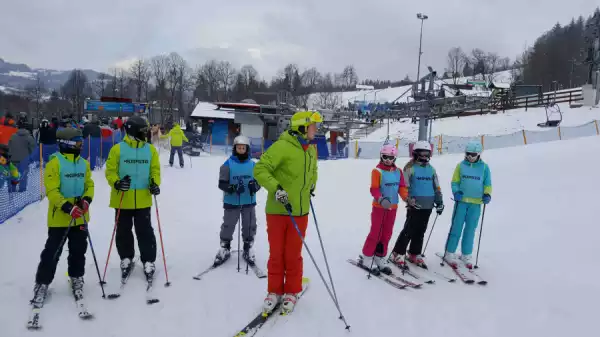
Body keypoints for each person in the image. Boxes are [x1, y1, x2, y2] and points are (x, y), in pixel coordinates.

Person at [254, 111, 321, 314]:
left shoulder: (310, 150)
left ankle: (291, 290)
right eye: (312, 126)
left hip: (300, 212)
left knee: (293, 255)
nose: (315, 130)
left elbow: (313, 171)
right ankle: (274, 291)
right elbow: (260, 170)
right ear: (302, 127)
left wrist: (311, 186)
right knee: (277, 254)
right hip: (278, 211)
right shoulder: (282, 147)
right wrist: (278, 189)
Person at [31, 128, 94, 308]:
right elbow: (51, 190)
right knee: (52, 252)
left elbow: (89, 184)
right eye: (78, 143)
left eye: (82, 143)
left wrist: (87, 200)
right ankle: (42, 283)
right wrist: (67, 207)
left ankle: (76, 278)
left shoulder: (83, 163)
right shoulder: (55, 163)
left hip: (80, 217)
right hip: (60, 217)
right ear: (68, 144)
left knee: (78, 250)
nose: (81, 146)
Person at [105, 116, 161, 283]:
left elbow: (155, 170)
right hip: (122, 198)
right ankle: (126, 258)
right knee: (123, 231)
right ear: (133, 131)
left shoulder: (150, 150)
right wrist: (116, 182)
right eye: (143, 131)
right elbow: (110, 171)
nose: (146, 134)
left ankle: (149, 260)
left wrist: (154, 183)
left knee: (145, 231)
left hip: (143, 199)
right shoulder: (117, 149)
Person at [388, 141, 443, 270]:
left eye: (427, 154)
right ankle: (397, 252)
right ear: (415, 154)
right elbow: (404, 186)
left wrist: (439, 200)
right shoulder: (409, 168)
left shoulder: (431, 169)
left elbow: (436, 186)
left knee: (421, 231)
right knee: (409, 230)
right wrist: (409, 200)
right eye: (422, 154)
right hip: (415, 205)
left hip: (428, 205)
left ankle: (414, 253)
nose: (424, 157)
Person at [359, 144, 408, 275]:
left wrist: (407, 198)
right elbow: (374, 189)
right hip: (379, 207)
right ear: (381, 156)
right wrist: (380, 199)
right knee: (376, 232)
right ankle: (367, 257)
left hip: (392, 208)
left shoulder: (398, 172)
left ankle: (380, 256)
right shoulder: (377, 171)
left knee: (387, 233)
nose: (388, 160)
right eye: (385, 157)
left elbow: (402, 187)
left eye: (391, 157)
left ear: (395, 158)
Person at [443, 141, 492, 269]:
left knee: (470, 229)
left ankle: (466, 254)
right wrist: (456, 192)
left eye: (473, 155)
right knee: (456, 227)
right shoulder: (461, 166)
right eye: (468, 154)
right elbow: (455, 182)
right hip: (462, 202)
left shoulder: (484, 168)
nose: (470, 157)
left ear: (479, 154)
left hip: (476, 203)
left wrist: (487, 194)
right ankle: (449, 252)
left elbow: (487, 184)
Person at [214, 135, 261, 266]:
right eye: (239, 148)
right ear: (235, 149)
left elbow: (259, 181)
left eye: (243, 148)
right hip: (232, 201)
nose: (241, 150)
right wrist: (232, 188)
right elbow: (221, 183)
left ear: (247, 149)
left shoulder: (253, 165)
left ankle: (248, 246)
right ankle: (225, 246)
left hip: (248, 200)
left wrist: (255, 186)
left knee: (249, 225)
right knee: (228, 225)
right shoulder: (227, 165)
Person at [8, 122, 35, 192]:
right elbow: (33, 149)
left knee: (13, 174)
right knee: (23, 174)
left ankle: (12, 188)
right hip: (24, 159)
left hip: (13, 159)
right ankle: (22, 189)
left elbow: (8, 147)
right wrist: (30, 158)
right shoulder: (29, 137)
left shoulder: (12, 136)